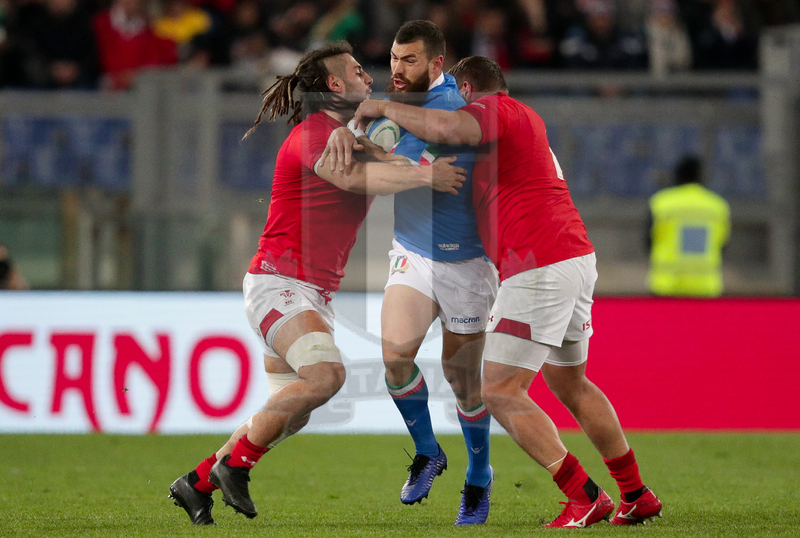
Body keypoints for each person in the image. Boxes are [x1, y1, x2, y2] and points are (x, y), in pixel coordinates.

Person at [341, 55, 663, 528]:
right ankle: (635, 493)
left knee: (498, 389)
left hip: (538, 265)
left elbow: (448, 127)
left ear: (470, 90)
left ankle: (583, 494)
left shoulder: (498, 110)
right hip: (571, 256)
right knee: (571, 385)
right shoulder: (523, 128)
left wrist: (381, 109)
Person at [167, 41, 466, 526]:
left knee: (295, 411)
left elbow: (396, 153)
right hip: (278, 283)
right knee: (326, 378)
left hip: (309, 293)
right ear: (334, 86)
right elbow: (355, 181)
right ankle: (233, 466)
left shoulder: (350, 133)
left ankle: (198, 481)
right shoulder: (314, 134)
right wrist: (427, 175)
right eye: (356, 72)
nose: (368, 78)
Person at [327, 20, 498, 526]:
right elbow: (374, 147)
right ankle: (428, 451)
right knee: (395, 355)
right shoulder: (399, 103)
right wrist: (348, 129)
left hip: (468, 262)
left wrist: (371, 137)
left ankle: (480, 476)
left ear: (437, 64)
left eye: (409, 61)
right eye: (395, 60)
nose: (396, 71)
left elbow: (393, 169)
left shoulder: (453, 108)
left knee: (464, 383)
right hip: (415, 253)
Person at [646, 155, 731, 297]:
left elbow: (648, 241)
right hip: (706, 286)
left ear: (677, 175)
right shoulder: (718, 206)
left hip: (667, 285)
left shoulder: (660, 203)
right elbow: (723, 244)